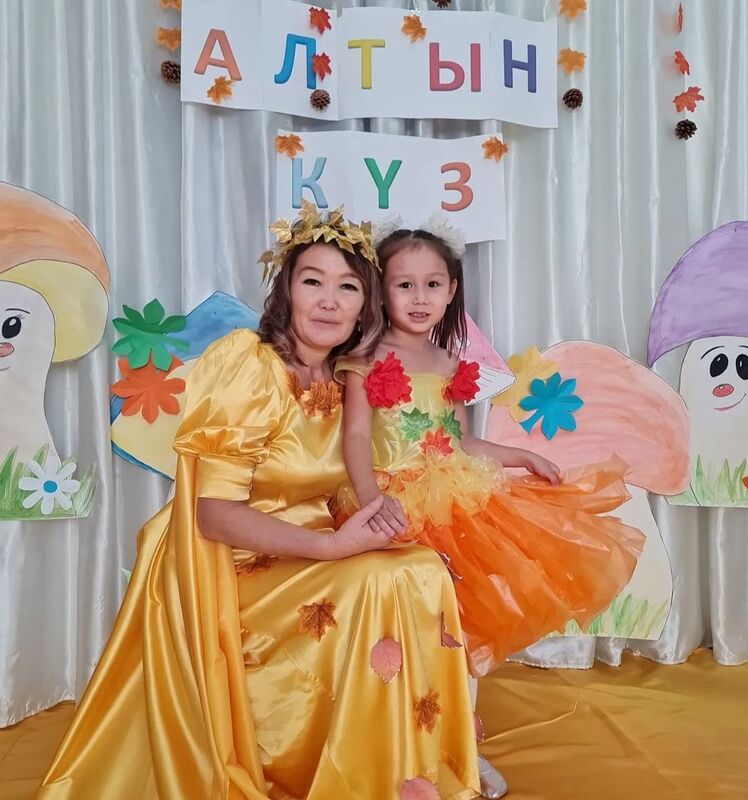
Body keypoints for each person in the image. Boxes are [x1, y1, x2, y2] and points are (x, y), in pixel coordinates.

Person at [38, 204, 480, 800]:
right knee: (379, 580)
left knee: (422, 568)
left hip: (307, 549)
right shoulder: (251, 365)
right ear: (286, 291)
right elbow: (213, 515)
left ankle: (399, 768)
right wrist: (332, 547)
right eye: (313, 281)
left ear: (367, 304)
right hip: (230, 564)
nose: (329, 301)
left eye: (348, 287)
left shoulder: (341, 377)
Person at [336, 218, 646, 795]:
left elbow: (459, 443)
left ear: (452, 289)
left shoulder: (451, 365)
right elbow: (355, 437)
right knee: (403, 632)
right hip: (393, 503)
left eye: (433, 284)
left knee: (460, 631)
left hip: (455, 501)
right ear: (379, 290)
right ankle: (397, 745)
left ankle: (462, 748)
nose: (420, 297)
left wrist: (519, 456)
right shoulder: (364, 359)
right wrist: (372, 498)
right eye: (404, 285)